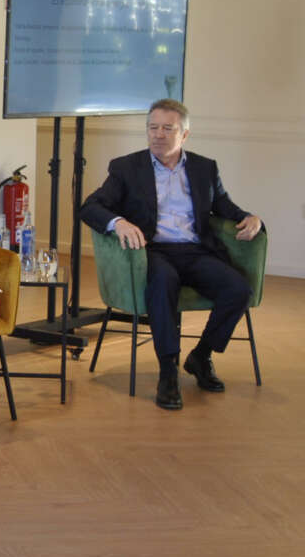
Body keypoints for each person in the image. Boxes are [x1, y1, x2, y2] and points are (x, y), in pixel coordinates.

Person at [80, 99, 264, 410]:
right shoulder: (126, 167)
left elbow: (225, 207)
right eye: (153, 128)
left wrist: (252, 218)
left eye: (168, 128)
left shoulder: (205, 168)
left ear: (185, 134)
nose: (158, 135)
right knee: (163, 281)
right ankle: (168, 371)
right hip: (152, 251)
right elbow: (90, 207)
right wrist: (119, 222)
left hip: (195, 251)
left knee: (238, 289)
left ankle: (201, 356)